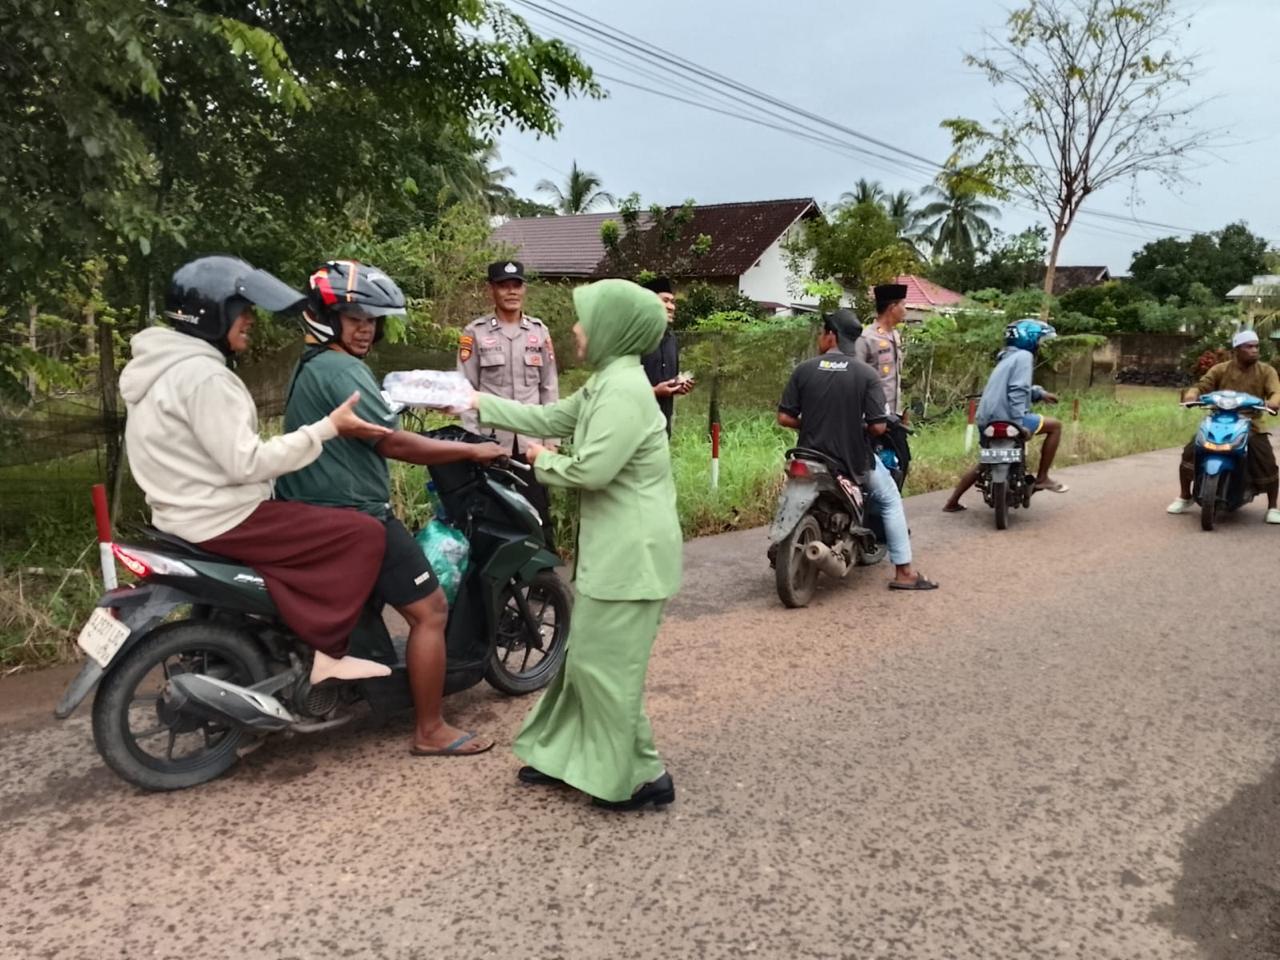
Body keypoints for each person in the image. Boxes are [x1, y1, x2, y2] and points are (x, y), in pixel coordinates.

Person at [119, 255, 394, 686]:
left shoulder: (157, 370)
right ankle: (330, 651)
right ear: (214, 313)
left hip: (179, 512)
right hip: (222, 515)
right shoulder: (206, 377)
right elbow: (246, 462)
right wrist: (326, 429)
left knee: (310, 527)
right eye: (242, 311)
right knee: (363, 533)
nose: (250, 321)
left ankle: (278, 641)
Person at [462, 278, 683, 810]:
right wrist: (474, 402)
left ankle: (642, 776)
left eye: (587, 320)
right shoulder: (609, 380)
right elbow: (547, 417)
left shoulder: (626, 392)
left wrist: (543, 461)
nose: (576, 330)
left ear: (614, 328)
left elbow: (594, 470)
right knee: (585, 661)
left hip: (635, 554)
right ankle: (563, 755)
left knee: (608, 671)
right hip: (617, 549)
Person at [275, 260, 506, 757]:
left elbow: (367, 417)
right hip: (356, 516)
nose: (366, 329)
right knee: (430, 612)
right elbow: (394, 444)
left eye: (372, 319)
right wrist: (471, 450)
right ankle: (430, 730)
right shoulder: (342, 367)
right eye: (355, 317)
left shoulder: (312, 363)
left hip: (311, 509)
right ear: (326, 316)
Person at [777, 308, 938, 591]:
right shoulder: (866, 374)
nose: (820, 337)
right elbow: (877, 427)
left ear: (831, 336)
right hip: (850, 458)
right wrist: (856, 426)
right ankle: (904, 572)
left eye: (822, 332)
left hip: (807, 455)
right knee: (889, 499)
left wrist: (812, 423)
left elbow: (784, 418)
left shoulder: (804, 369)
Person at [458, 259, 560, 549]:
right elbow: (466, 391)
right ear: (492, 289)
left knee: (538, 512)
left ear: (524, 289)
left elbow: (549, 387)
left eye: (517, 285)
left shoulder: (539, 332)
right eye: (504, 285)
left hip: (532, 442)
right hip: (493, 442)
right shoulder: (475, 333)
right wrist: (473, 443)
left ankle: (544, 583)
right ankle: (503, 585)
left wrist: (552, 438)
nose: (511, 291)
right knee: (497, 515)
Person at [943, 319, 1066, 512]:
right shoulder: (1025, 356)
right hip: (1009, 418)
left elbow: (1014, 388)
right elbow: (1017, 390)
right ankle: (1042, 478)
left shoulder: (1005, 357)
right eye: (1039, 340)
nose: (1040, 345)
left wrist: (1039, 393)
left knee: (987, 461)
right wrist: (1018, 424)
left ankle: (952, 501)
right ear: (1030, 339)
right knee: (1056, 426)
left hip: (986, 418)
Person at [1167, 329, 1280, 523]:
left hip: (1251, 421)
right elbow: (1202, 386)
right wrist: (1192, 394)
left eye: (1256, 346)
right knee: (1192, 450)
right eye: (1249, 346)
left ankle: (1272, 507)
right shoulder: (1220, 369)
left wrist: (1273, 402)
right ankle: (1185, 496)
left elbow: (1275, 392)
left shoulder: (1266, 370)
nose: (1254, 350)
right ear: (1237, 349)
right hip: (1220, 418)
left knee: (1265, 458)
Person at [855, 283, 911, 480]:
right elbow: (856, 377)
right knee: (872, 468)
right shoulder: (866, 338)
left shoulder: (895, 336)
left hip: (894, 417)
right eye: (903, 304)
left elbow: (895, 378)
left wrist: (903, 412)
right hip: (874, 417)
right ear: (892, 307)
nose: (905, 309)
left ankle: (890, 506)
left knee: (902, 461)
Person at [639, 276, 693, 435]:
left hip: (662, 428)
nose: (671, 307)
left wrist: (678, 385)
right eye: (665, 301)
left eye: (672, 302)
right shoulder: (632, 339)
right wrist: (655, 391)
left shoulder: (671, 340)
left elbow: (667, 381)